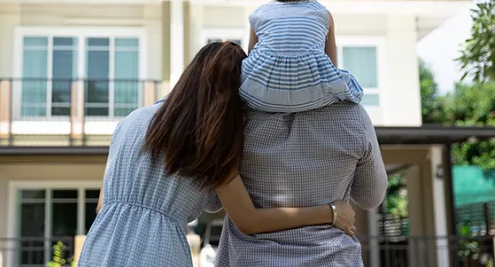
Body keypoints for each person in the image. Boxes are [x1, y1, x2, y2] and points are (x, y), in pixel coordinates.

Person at [77, 42, 357, 267]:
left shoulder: (130, 121)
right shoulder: (209, 139)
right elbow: (249, 220)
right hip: (159, 251)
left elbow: (102, 205)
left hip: (100, 246)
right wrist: (331, 212)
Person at [212, 104, 388, 266]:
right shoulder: (353, 115)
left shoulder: (230, 119)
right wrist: (331, 211)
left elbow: (211, 203)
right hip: (333, 259)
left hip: (254, 260)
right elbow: (370, 198)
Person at [240, 0, 364, 113]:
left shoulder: (259, 14)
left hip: (260, 97)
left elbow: (252, 61)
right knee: (348, 80)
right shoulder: (323, 15)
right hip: (314, 97)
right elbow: (332, 66)